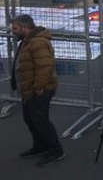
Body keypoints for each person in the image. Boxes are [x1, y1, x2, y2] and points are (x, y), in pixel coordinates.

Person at [10, 14, 66, 166]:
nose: (12, 31)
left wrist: (38, 88)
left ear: (25, 27)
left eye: (15, 28)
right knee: (30, 119)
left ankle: (56, 150)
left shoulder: (38, 42)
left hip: (39, 89)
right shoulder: (27, 41)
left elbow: (45, 67)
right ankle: (40, 146)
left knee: (40, 121)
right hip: (30, 88)